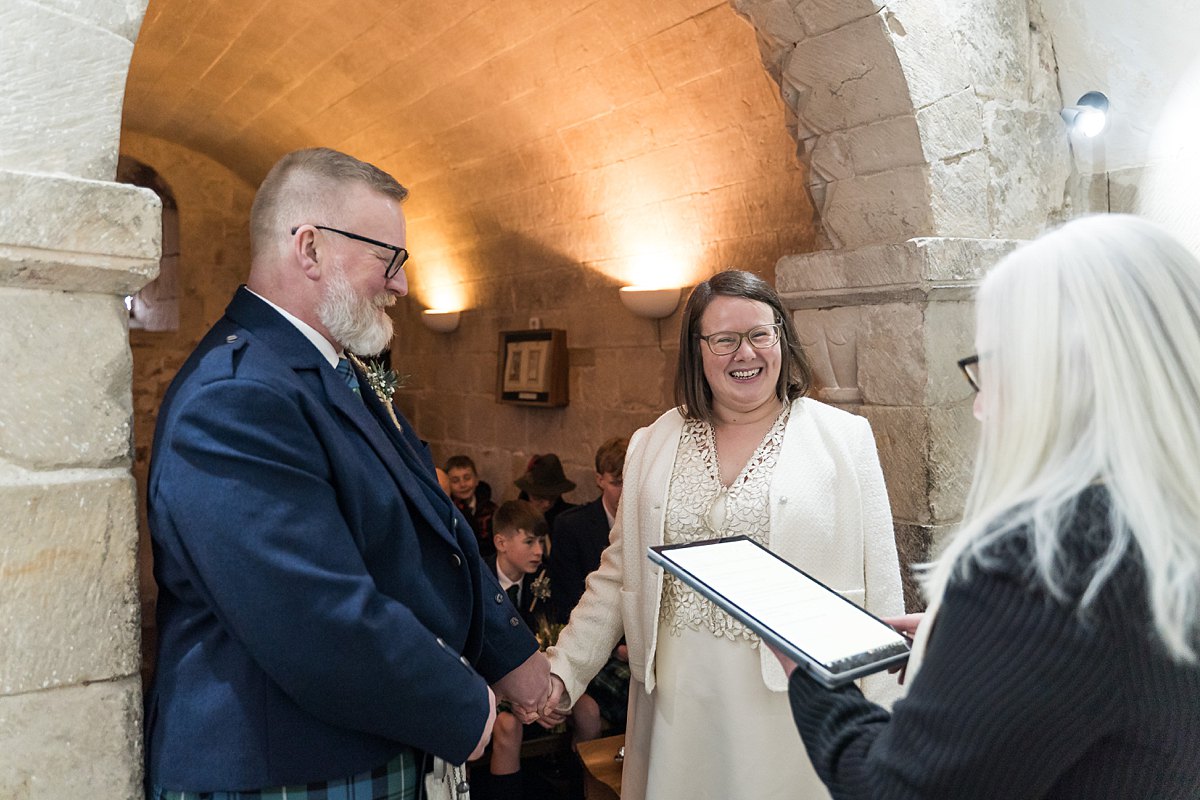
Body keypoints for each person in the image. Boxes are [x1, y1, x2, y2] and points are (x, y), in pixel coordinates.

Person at [144, 147, 550, 799]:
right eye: (388, 259)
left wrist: (510, 652)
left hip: (359, 744)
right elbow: (313, 615)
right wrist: (462, 703)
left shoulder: (338, 372)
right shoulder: (237, 396)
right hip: (288, 768)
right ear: (309, 248)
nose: (402, 285)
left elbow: (431, 522)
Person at [778, 214, 1200, 799]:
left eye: (987, 369)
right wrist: (967, 648)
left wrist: (814, 676)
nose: (981, 409)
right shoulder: (1166, 518)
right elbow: (1119, 673)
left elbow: (895, 791)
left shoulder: (1052, 556)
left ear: (1052, 374)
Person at [538, 269, 906, 799]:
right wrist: (564, 673)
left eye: (760, 334)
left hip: (796, 701)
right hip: (680, 702)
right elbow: (618, 579)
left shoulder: (843, 441)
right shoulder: (652, 444)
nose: (745, 353)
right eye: (724, 340)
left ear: (781, 337)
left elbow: (882, 586)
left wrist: (887, 721)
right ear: (697, 349)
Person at [549, 436, 632, 739]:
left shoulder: (644, 522)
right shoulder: (572, 526)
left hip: (634, 647)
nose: (624, 491)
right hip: (596, 644)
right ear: (599, 480)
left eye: (630, 481)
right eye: (617, 482)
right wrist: (618, 648)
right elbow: (570, 598)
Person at [483, 501, 553, 800]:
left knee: (586, 709)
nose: (539, 551)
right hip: (490, 680)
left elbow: (551, 634)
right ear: (501, 542)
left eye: (541, 541)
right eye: (529, 542)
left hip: (535, 675)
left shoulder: (545, 580)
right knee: (508, 725)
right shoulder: (480, 578)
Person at [445, 454, 498, 556]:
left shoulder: (491, 510)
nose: (463, 484)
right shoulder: (448, 510)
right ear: (448, 484)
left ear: (476, 480)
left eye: (467, 478)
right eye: (455, 480)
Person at [514, 453, 577, 532]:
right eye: (539, 497)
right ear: (528, 493)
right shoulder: (515, 520)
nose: (547, 504)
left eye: (553, 497)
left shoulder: (569, 518)